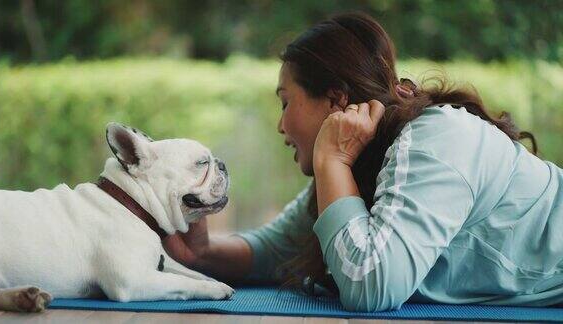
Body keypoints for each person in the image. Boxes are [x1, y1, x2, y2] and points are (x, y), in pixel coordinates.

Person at [163, 12, 563, 312]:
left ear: (337, 101)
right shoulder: (371, 161)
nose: (280, 125)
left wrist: (331, 161)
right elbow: (281, 246)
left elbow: (373, 286)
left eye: (286, 103)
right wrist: (203, 254)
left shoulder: (437, 139)